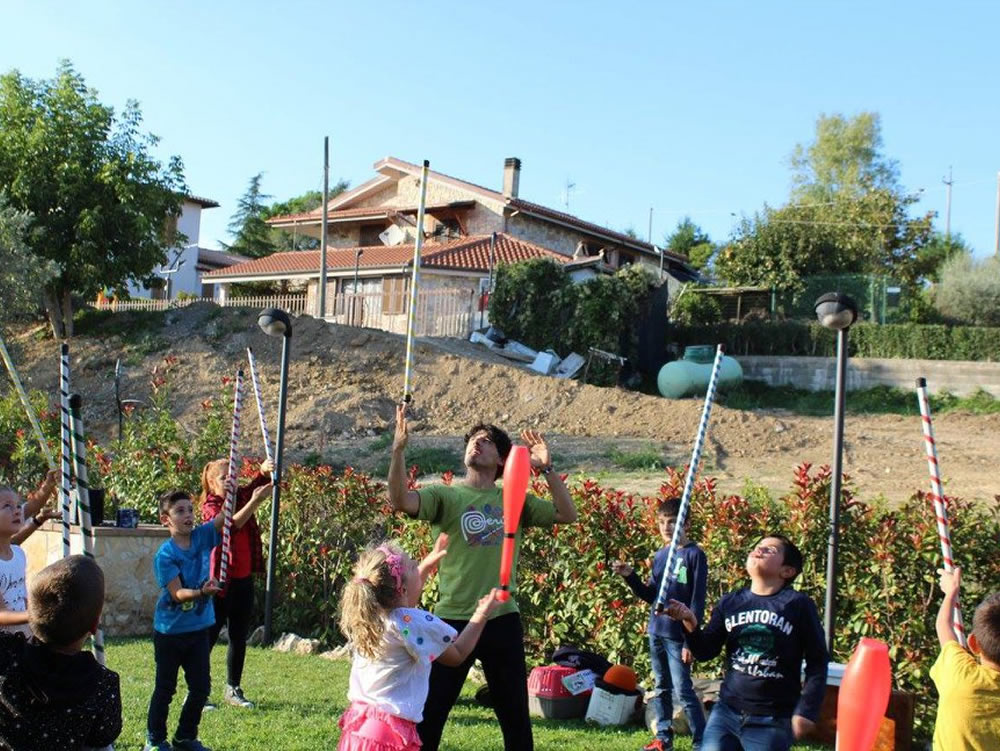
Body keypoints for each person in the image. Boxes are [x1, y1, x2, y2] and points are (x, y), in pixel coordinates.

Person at [387, 405, 578, 751]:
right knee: (429, 718)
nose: (477, 443)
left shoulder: (514, 498)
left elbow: (567, 514)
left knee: (516, 721)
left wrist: (547, 468)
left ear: (502, 460)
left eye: (487, 441)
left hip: (502, 618)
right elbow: (399, 500)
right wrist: (398, 450)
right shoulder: (445, 495)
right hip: (450, 621)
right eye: (474, 439)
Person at [665, 534, 827, 751]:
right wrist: (690, 623)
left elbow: (818, 661)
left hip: (772, 719)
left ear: (787, 571)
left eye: (770, 549)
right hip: (726, 713)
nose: (759, 549)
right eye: (758, 545)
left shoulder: (798, 605)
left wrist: (806, 710)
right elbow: (705, 651)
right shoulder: (730, 602)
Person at [337, 537, 501, 751]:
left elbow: (406, 602)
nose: (418, 565)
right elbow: (458, 654)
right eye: (414, 567)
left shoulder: (371, 616)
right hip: (388, 737)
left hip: (358, 730)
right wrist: (482, 613)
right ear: (402, 589)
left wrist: (427, 564)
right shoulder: (410, 623)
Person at [145, 482, 271, 751]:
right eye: (180, 511)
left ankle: (184, 738)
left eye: (190, 509)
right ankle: (154, 740)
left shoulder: (202, 536)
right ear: (165, 519)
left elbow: (227, 521)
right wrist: (202, 592)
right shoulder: (166, 554)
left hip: (198, 629)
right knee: (165, 689)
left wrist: (238, 495)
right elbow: (178, 594)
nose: (188, 515)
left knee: (200, 689)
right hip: (170, 632)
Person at [612, 497, 707, 751]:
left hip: (679, 635)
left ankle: (702, 742)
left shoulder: (695, 555)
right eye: (662, 522)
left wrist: (691, 640)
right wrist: (630, 577)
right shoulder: (661, 555)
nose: (666, 527)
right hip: (657, 630)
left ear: (686, 523)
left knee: (683, 690)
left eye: (673, 522)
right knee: (661, 688)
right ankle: (663, 738)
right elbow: (651, 595)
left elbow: (697, 602)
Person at [0, 554, 122, 750]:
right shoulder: (104, 684)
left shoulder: (7, 656)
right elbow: (103, 736)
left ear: (30, 613)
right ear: (94, 624)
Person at [200, 456, 274, 709]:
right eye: (223, 478)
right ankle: (197, 691)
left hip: (242, 579)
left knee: (238, 636)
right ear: (211, 483)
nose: (230, 482)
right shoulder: (211, 506)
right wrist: (255, 502)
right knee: (209, 635)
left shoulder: (239, 496)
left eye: (233, 476)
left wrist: (264, 471)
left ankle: (233, 687)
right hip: (220, 581)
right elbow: (230, 526)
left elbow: (254, 486)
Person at [930, 566, 1000, 749]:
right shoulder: (959, 671)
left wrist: (950, 593)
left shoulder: (959, 674)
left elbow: (943, 625)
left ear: (973, 643)